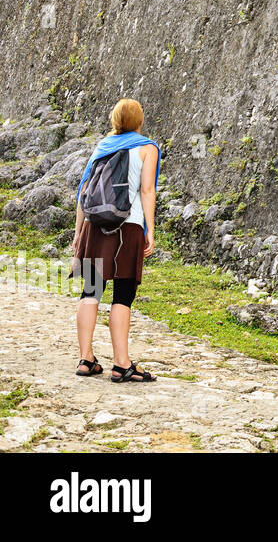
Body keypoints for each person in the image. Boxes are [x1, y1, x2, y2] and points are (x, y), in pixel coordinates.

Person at [70, 98, 160, 382]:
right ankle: (122, 364)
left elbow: (83, 192)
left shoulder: (102, 147)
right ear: (139, 121)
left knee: (90, 292)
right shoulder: (147, 148)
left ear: (115, 120)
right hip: (128, 227)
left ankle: (86, 359)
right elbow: (147, 191)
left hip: (94, 228)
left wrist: (78, 234)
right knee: (123, 296)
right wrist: (150, 230)